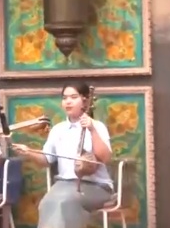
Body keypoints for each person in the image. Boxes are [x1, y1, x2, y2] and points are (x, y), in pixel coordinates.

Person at [11, 83, 113, 228]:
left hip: (96, 186)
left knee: (67, 201)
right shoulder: (58, 130)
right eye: (65, 98)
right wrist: (29, 152)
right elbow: (47, 160)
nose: (68, 102)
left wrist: (92, 129)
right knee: (46, 203)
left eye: (73, 97)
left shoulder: (97, 126)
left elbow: (106, 158)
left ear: (85, 101)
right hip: (64, 184)